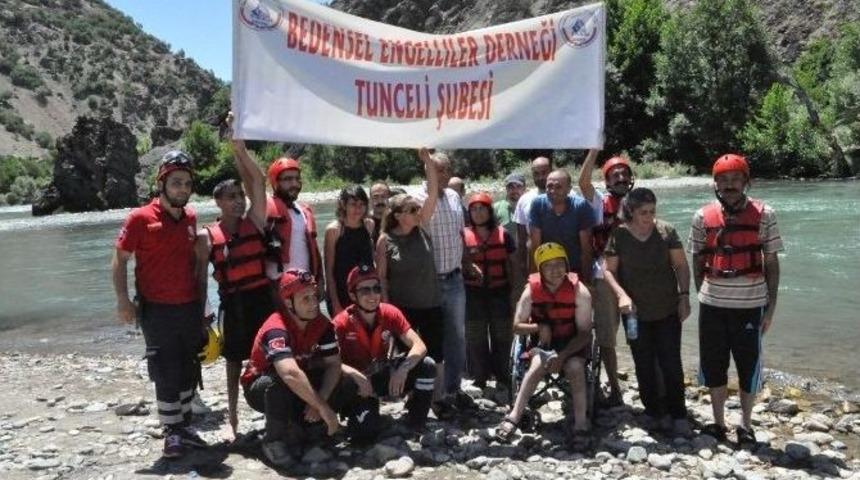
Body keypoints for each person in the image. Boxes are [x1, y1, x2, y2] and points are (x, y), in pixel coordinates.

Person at [112, 150, 207, 458]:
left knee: (189, 365)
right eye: (176, 182)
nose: (182, 189)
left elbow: (195, 262)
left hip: (189, 306)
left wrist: (203, 306)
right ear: (161, 183)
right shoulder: (139, 218)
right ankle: (172, 431)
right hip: (156, 309)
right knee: (165, 369)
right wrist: (123, 300)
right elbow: (119, 259)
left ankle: (185, 425)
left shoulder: (190, 217)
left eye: (187, 183)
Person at [688, 154, 783, 446]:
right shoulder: (701, 217)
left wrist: (771, 307)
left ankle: (746, 424)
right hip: (713, 305)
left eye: (735, 179)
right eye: (724, 180)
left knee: (748, 365)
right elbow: (697, 259)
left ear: (745, 182)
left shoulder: (765, 214)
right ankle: (718, 422)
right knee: (714, 364)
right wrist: (702, 293)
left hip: (751, 306)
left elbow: (771, 262)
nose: (729, 185)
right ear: (715, 184)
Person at [195, 134, 274, 438]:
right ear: (218, 202)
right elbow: (200, 280)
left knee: (272, 355)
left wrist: (239, 149)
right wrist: (202, 316)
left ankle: (276, 411)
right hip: (233, 303)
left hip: (262, 299)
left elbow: (259, 180)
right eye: (231, 197)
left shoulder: (255, 220)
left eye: (240, 195)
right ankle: (233, 419)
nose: (239, 200)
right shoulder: (206, 237)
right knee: (233, 361)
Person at [602, 188, 692, 436]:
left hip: (667, 309)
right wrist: (621, 295)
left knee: (671, 362)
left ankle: (678, 413)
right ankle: (653, 411)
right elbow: (608, 270)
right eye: (643, 212)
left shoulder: (666, 231)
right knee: (643, 362)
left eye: (652, 211)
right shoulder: (619, 235)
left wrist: (684, 296)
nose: (649, 217)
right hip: (634, 313)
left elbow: (681, 265)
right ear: (630, 211)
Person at [241, 269, 344, 466]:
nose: (314, 303)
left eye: (314, 296)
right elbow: (289, 373)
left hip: (298, 382)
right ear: (288, 303)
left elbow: (333, 364)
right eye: (305, 298)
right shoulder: (275, 328)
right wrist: (323, 407)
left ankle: (310, 427)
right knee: (281, 381)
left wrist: (320, 401)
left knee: (343, 380)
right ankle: (273, 440)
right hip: (261, 386)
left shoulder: (322, 324)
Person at [376, 149, 452, 415]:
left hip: (431, 302)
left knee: (436, 353)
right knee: (406, 354)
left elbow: (432, 193)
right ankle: (413, 395)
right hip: (402, 308)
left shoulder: (422, 227)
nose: (418, 211)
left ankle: (437, 398)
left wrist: (428, 162)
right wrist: (386, 309)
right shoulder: (385, 240)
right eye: (411, 209)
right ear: (398, 215)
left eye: (417, 209)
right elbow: (382, 278)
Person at [496, 243, 593, 443]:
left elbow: (585, 334)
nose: (555, 270)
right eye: (548, 265)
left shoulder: (580, 292)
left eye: (559, 264)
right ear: (540, 269)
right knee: (537, 365)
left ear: (567, 266)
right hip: (543, 343)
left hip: (572, 342)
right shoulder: (530, 291)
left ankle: (581, 423)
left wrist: (563, 356)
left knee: (575, 368)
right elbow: (516, 326)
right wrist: (539, 327)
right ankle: (514, 416)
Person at [333, 265, 437, 440]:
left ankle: (416, 421)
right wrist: (355, 375)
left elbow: (419, 345)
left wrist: (403, 369)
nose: (372, 295)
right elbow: (329, 362)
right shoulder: (341, 323)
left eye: (376, 288)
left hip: (380, 374)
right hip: (358, 386)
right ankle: (357, 412)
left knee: (427, 365)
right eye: (365, 290)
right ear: (352, 295)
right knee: (364, 435)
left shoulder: (390, 313)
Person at [413, 151, 471, 407]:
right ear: (426, 170)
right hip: (429, 282)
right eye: (436, 169)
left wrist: (467, 262)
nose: (443, 174)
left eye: (445, 169)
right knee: (430, 338)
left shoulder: (455, 197)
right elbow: (420, 222)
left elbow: (461, 234)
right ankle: (428, 391)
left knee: (457, 336)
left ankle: (452, 388)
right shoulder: (416, 199)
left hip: (455, 278)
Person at [578, 151, 634, 407]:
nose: (621, 178)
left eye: (624, 174)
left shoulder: (639, 202)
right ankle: (615, 388)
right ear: (608, 181)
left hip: (635, 275)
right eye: (615, 175)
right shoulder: (599, 203)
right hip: (604, 276)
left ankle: (651, 385)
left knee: (640, 333)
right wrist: (593, 150)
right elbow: (583, 183)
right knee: (607, 337)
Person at [463, 192, 516, 394]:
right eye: (474, 209)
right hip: (473, 293)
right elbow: (459, 262)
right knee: (475, 336)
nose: (478, 213)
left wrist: (515, 293)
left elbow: (513, 265)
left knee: (502, 335)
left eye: (482, 209)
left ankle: (502, 375)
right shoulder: (463, 235)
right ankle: (480, 377)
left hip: (500, 291)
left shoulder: (504, 234)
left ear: (490, 211)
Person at [264, 154, 323, 294]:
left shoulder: (304, 211)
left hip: (306, 284)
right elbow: (253, 183)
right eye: (288, 179)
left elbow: (314, 250)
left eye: (297, 179)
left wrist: (320, 280)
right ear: (275, 182)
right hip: (277, 287)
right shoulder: (264, 209)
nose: (294, 184)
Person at [528, 169, 595, 283]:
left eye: (558, 187)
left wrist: (586, 281)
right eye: (549, 186)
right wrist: (534, 279)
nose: (552, 191)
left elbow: (586, 248)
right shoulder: (538, 205)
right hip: (547, 268)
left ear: (569, 189)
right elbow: (535, 245)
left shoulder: (581, 207)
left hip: (574, 268)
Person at [323, 185, 374, 316]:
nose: (358, 209)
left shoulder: (369, 225)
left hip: (365, 292)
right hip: (341, 293)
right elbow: (329, 272)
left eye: (362, 204)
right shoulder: (334, 230)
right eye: (353, 204)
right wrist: (335, 304)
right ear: (343, 205)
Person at [513, 156, 552, 273]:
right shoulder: (524, 199)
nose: (540, 177)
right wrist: (522, 262)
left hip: (563, 256)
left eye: (544, 173)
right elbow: (521, 237)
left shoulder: (569, 196)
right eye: (536, 174)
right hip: (535, 257)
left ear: (551, 171)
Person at [494, 172, 526, 307]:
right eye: (510, 187)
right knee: (507, 296)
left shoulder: (529, 205)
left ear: (524, 188)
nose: (514, 190)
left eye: (518, 186)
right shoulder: (496, 207)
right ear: (506, 189)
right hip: (504, 260)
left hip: (525, 259)